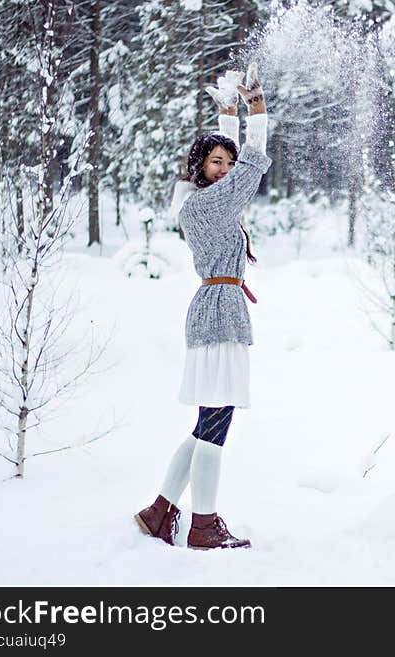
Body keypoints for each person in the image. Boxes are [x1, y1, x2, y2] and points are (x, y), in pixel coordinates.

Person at [134, 63, 272, 549]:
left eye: (226, 162)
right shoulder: (206, 205)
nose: (226, 168)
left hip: (217, 308)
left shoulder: (198, 202)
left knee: (207, 421)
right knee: (217, 422)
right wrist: (255, 107)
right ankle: (205, 525)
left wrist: (228, 115)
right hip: (218, 312)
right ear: (199, 168)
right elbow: (252, 164)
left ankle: (160, 511)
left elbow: (239, 165)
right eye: (216, 162)